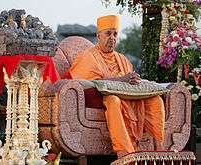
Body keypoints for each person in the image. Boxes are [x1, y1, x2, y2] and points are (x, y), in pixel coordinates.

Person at [67, 15, 165, 158]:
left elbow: (129, 79)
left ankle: (159, 149)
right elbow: (88, 83)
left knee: (155, 100)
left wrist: (136, 81)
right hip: (104, 96)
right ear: (98, 36)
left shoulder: (122, 59)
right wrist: (122, 80)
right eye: (108, 33)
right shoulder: (88, 56)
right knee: (113, 101)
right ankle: (124, 153)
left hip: (129, 96)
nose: (112, 38)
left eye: (115, 34)